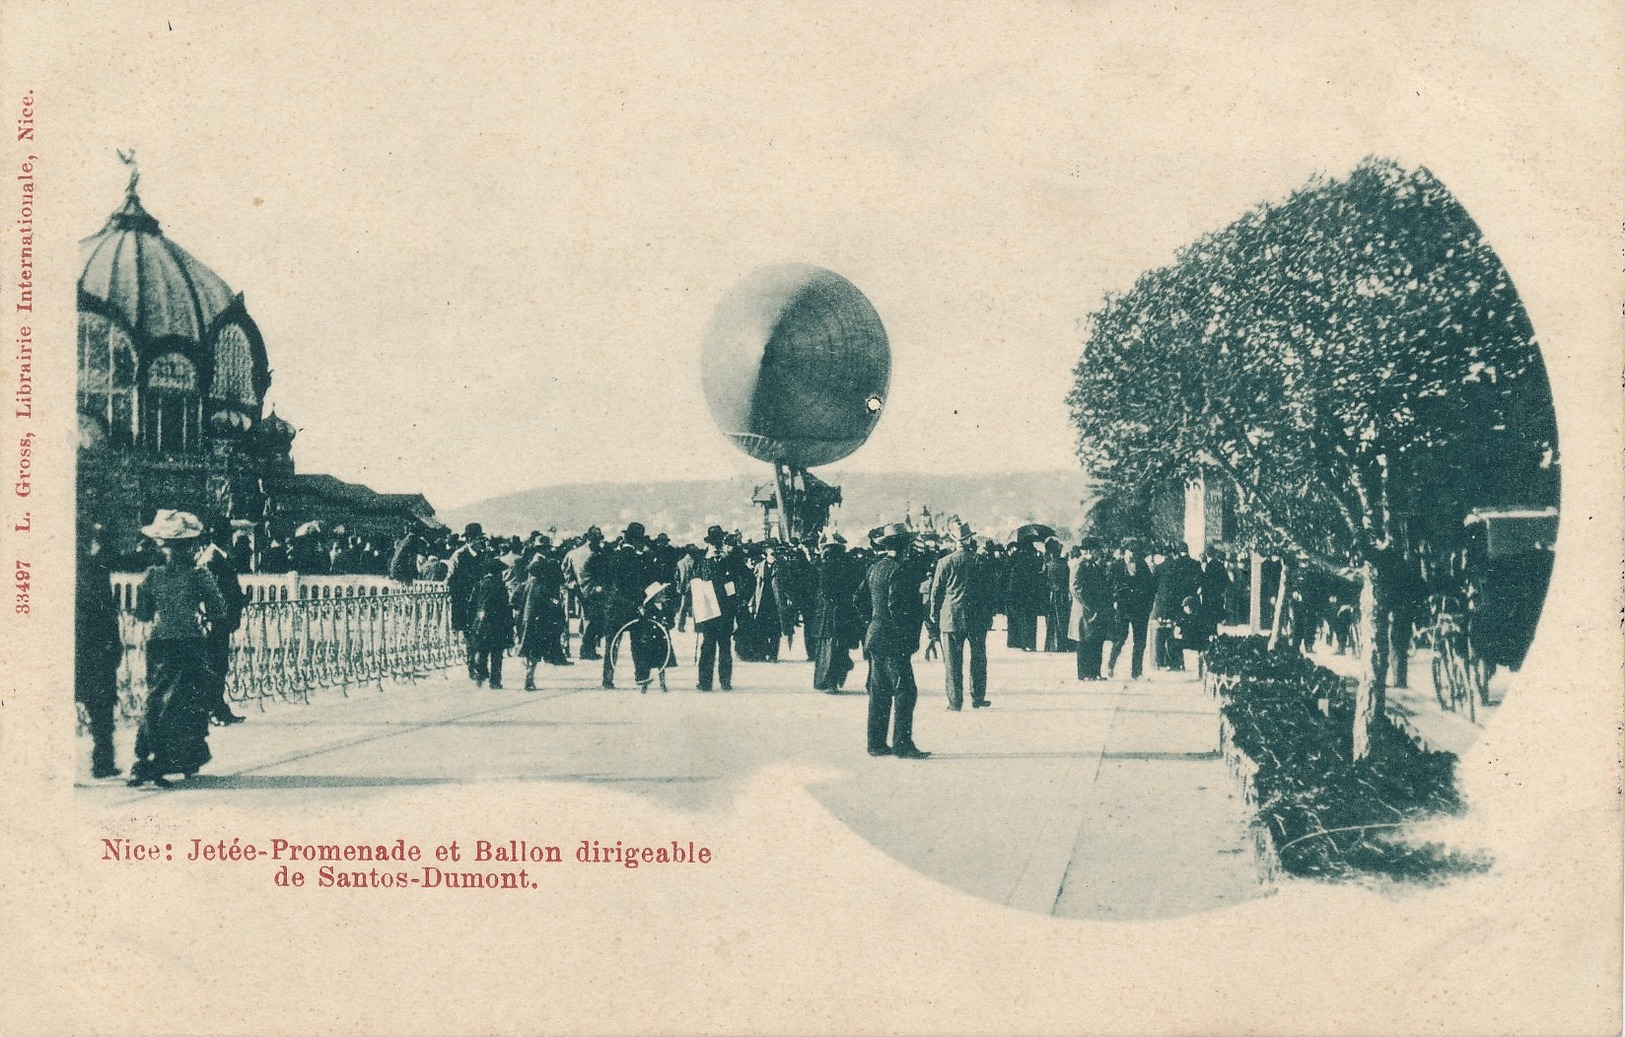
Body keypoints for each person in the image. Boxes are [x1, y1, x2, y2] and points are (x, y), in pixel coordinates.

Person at [127, 510, 226, 788]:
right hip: (190, 643)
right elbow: (218, 609)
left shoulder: (152, 576)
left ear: (161, 546)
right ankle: (178, 756)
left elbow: (143, 614)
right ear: (190, 547)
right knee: (190, 701)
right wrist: (204, 616)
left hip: (159, 644)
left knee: (158, 697)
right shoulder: (198, 575)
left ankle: (148, 753)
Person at [855, 523, 930, 759]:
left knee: (879, 691)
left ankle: (876, 743)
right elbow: (897, 607)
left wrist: (872, 621)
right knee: (906, 691)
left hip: (875, 635)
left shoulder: (876, 567)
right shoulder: (901, 571)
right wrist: (906, 635)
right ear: (904, 546)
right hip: (893, 638)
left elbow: (859, 599)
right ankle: (902, 744)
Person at [75, 523, 124, 779]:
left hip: (77, 644)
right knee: (102, 708)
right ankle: (102, 761)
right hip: (95, 646)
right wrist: (114, 643)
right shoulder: (96, 570)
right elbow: (108, 612)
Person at [930, 521, 992, 710]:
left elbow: (936, 592)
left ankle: (955, 701)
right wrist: (989, 615)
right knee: (978, 659)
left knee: (952, 662)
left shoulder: (945, 562)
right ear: (970, 539)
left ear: (954, 541)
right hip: (977, 617)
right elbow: (989, 591)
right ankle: (978, 697)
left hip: (951, 617)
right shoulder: (980, 561)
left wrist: (934, 612)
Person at [199, 521, 247, 725]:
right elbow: (212, 592)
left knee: (219, 665)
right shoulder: (211, 558)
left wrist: (241, 599)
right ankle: (213, 710)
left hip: (221, 620)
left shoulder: (219, 556)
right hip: (215, 620)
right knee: (214, 665)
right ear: (221, 536)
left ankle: (219, 707)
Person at [808, 531, 862, 692]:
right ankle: (837, 679)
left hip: (828, 615)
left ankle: (828, 681)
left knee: (828, 648)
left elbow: (821, 591)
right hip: (845, 612)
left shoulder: (825, 567)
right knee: (841, 647)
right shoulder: (850, 565)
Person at [693, 525, 742, 691]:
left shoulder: (729, 561)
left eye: (719, 542)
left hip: (726, 610)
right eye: (714, 543)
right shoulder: (701, 562)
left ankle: (725, 681)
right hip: (709, 612)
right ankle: (705, 681)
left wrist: (734, 608)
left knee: (725, 647)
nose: (717, 546)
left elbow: (733, 584)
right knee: (707, 647)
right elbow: (696, 587)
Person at [513, 554, 570, 689]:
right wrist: (557, 604)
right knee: (535, 649)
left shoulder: (523, 585)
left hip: (524, 621)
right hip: (539, 622)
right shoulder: (544, 587)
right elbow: (552, 603)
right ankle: (530, 674)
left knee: (526, 646)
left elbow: (514, 602)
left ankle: (528, 670)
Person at [446, 523, 490, 680]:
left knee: (484, 634)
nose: (481, 543)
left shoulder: (484, 556)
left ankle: (481, 666)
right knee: (470, 637)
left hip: (481, 602)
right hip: (464, 603)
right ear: (470, 540)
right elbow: (450, 580)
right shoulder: (459, 556)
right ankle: (472, 666)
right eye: (479, 540)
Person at [1151, 542, 1203, 672]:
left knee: (1160, 632)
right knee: (1174, 632)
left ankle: (1158, 662)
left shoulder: (1160, 567)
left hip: (1161, 605)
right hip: (1179, 603)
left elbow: (1153, 586)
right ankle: (1175, 662)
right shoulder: (1186, 565)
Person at [1107, 542, 1155, 680]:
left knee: (1140, 641)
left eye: (1135, 553)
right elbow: (1108, 586)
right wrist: (1114, 601)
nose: (1132, 556)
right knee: (1120, 638)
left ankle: (1136, 672)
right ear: (1125, 552)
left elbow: (1150, 587)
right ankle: (1110, 665)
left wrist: (1148, 605)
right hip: (1122, 607)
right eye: (1130, 552)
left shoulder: (1143, 566)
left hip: (1140, 609)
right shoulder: (1116, 566)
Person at [1070, 537, 1112, 681]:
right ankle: (1084, 674)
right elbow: (1076, 588)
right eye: (1096, 549)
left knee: (1096, 640)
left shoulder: (1093, 565)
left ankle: (1095, 672)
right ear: (1089, 550)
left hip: (1095, 611)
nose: (1098, 552)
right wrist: (1090, 604)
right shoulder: (1080, 565)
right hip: (1085, 611)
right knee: (1084, 642)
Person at [468, 560, 514, 688]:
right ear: (498, 573)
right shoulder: (500, 586)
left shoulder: (479, 584)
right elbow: (505, 607)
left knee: (482, 651)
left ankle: (481, 674)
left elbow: (472, 604)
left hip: (481, 624)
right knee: (497, 655)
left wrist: (473, 622)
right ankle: (495, 681)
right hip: (497, 625)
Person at [564, 527, 606, 660]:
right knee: (593, 621)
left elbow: (565, 572)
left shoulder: (572, 553)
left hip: (578, 592)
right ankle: (587, 650)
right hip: (594, 592)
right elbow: (603, 574)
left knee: (588, 620)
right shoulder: (596, 554)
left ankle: (587, 649)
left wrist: (573, 584)